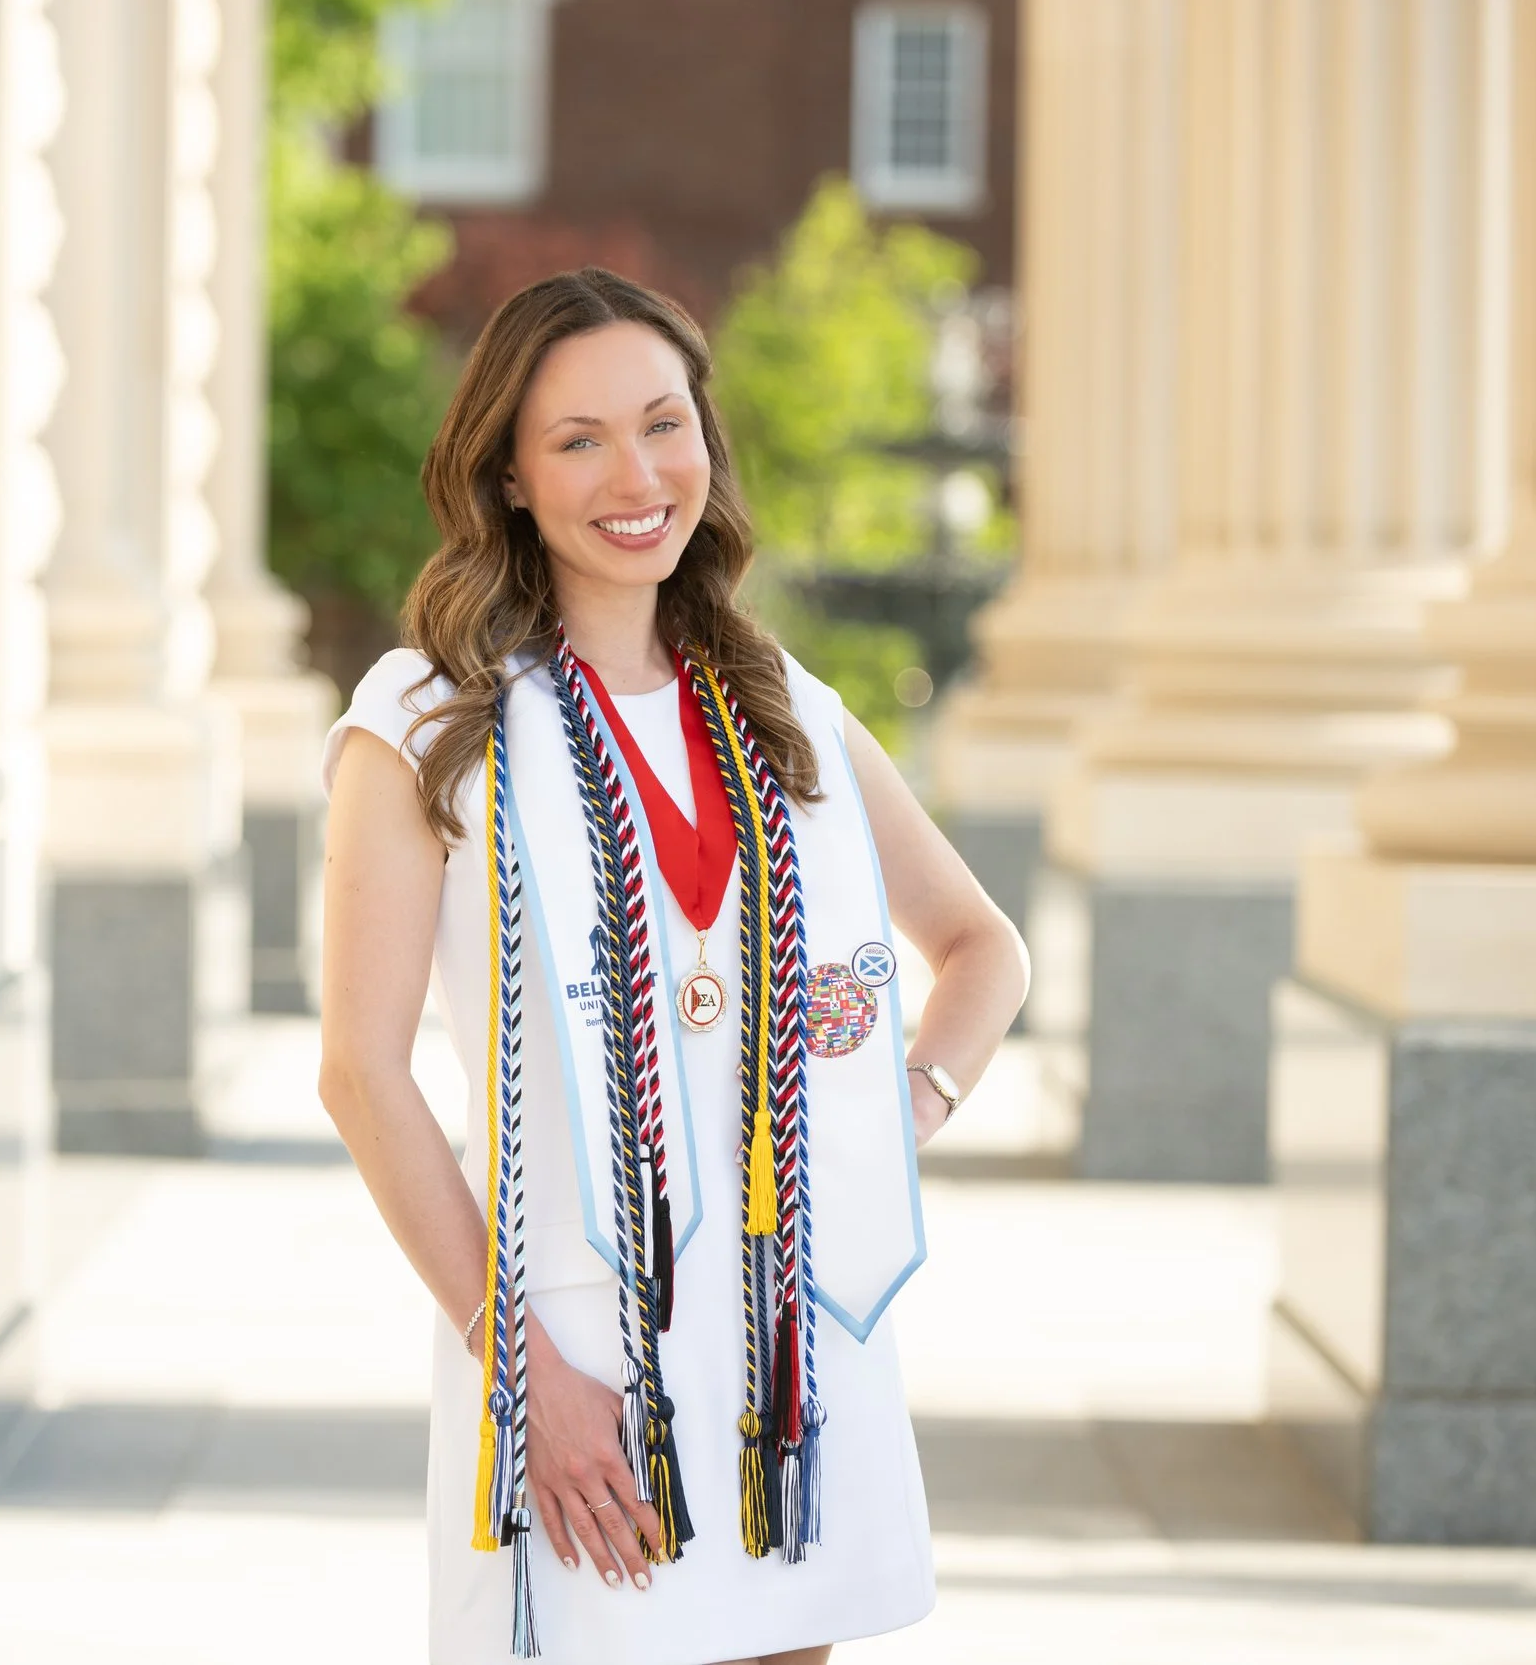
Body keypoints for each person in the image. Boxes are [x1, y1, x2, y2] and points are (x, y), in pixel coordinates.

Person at [318, 267, 1029, 1665]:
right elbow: (361, 1071)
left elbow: (981, 948)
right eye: (578, 439)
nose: (636, 473)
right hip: (577, 1346)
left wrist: (907, 1101)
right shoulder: (426, 719)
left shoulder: (781, 706)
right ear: (509, 477)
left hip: (790, 1349)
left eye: (663, 422)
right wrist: (516, 1365)